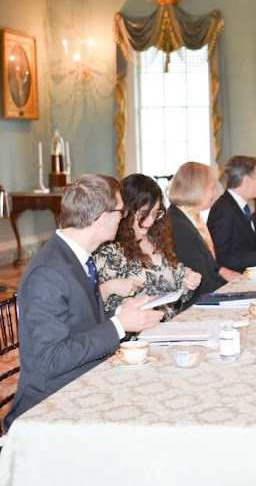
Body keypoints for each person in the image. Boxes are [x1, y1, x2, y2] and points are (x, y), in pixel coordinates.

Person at [3, 175, 163, 430]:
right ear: (102, 218)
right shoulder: (47, 273)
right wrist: (119, 325)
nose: (123, 217)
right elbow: (50, 359)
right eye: (120, 211)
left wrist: (123, 311)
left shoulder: (75, 256)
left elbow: (77, 314)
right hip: (51, 403)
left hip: (83, 379)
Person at [94, 174, 202, 321]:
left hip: (169, 327)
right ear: (126, 211)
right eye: (144, 214)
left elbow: (177, 284)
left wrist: (188, 281)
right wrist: (110, 288)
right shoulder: (110, 249)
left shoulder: (156, 240)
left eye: (155, 213)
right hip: (135, 335)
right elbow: (94, 305)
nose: (150, 221)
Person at [168, 162, 238, 304]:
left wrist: (223, 271)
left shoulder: (191, 216)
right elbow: (201, 279)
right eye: (212, 188)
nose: (216, 193)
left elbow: (208, 265)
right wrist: (236, 293)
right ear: (197, 189)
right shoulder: (178, 226)